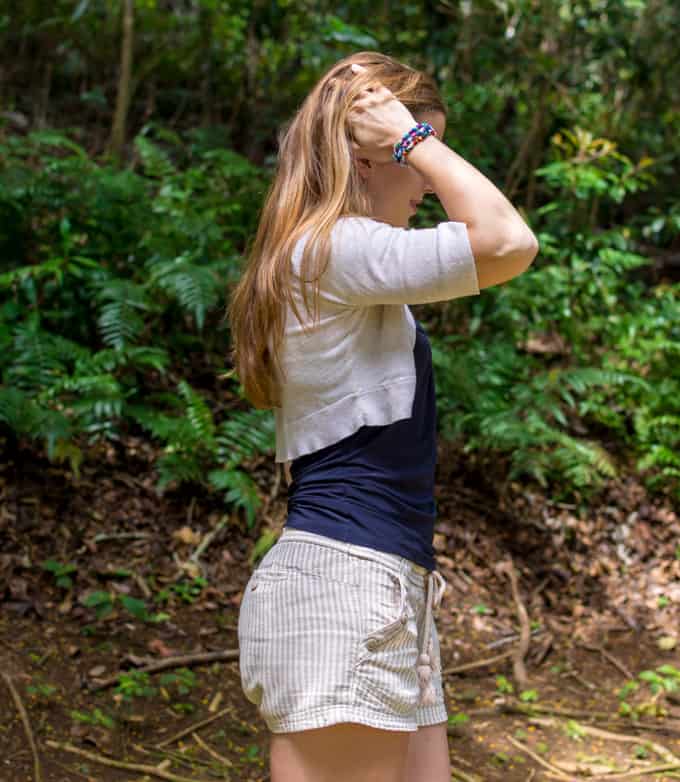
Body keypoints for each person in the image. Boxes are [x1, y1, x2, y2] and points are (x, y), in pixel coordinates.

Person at [228, 51, 538, 782]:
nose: (429, 186)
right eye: (415, 157)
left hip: (385, 587)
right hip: (342, 588)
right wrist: (412, 137)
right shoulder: (327, 249)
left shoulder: (336, 259)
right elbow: (508, 241)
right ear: (366, 158)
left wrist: (409, 140)